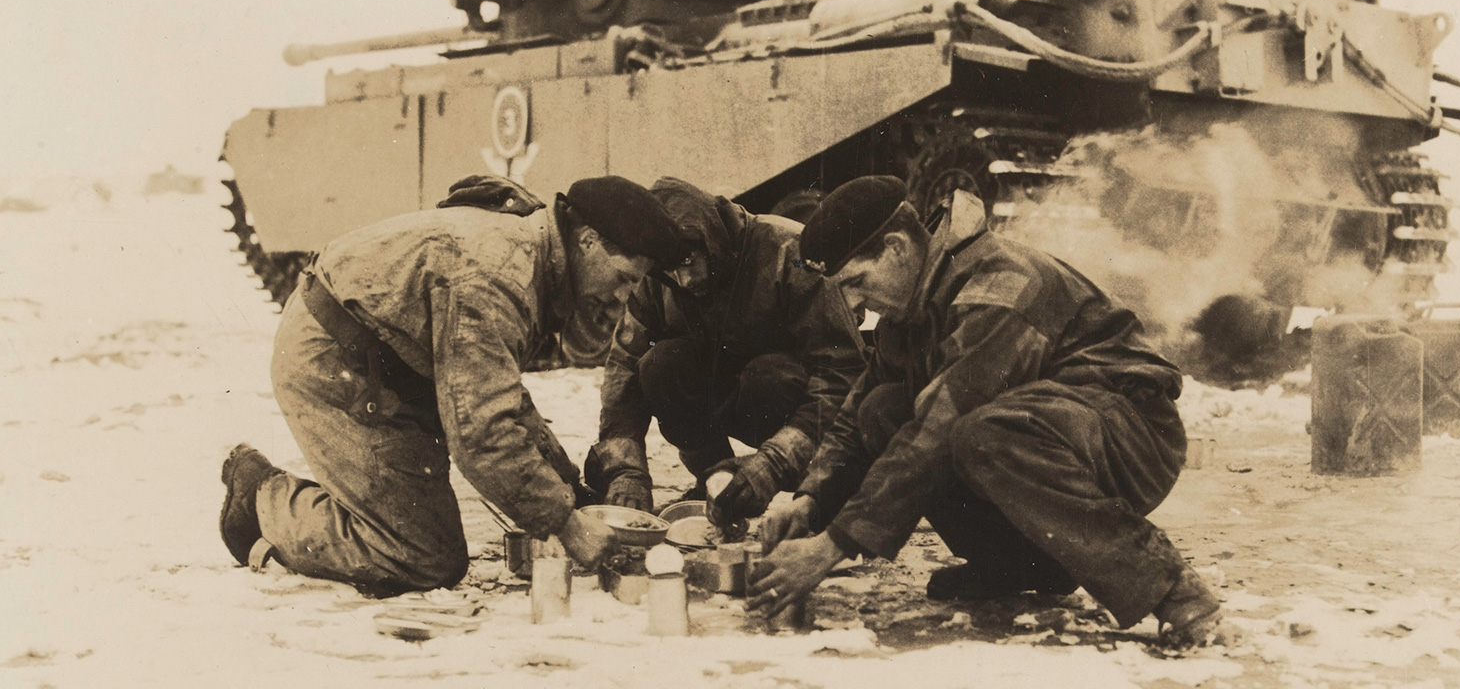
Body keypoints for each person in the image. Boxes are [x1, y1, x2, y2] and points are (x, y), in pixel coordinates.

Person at [747, 175, 1227, 648]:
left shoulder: (998, 285)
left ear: (895, 248)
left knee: (982, 432)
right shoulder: (909, 306)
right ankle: (1022, 568)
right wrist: (810, 501)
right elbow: (856, 414)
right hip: (1055, 427)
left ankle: (1172, 590)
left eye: (855, 282)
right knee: (882, 410)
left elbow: (938, 427)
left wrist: (831, 547)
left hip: (1131, 431)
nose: (853, 304)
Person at [218, 174, 684, 597]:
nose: (624, 297)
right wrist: (565, 524)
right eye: (623, 278)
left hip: (389, 366)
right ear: (586, 242)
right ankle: (261, 499)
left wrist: (570, 492)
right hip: (334, 362)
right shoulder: (500, 275)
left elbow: (500, 398)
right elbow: (481, 433)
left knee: (431, 538)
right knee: (421, 559)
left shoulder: (533, 256)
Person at [584, 178, 865, 523]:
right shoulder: (657, 279)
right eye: (671, 266)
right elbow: (623, 372)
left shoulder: (788, 251)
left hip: (787, 405)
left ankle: (814, 485)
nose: (684, 280)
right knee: (659, 363)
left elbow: (843, 371)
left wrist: (775, 461)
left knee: (769, 376)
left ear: (713, 238)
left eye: (689, 259)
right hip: (722, 394)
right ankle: (714, 480)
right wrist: (624, 472)